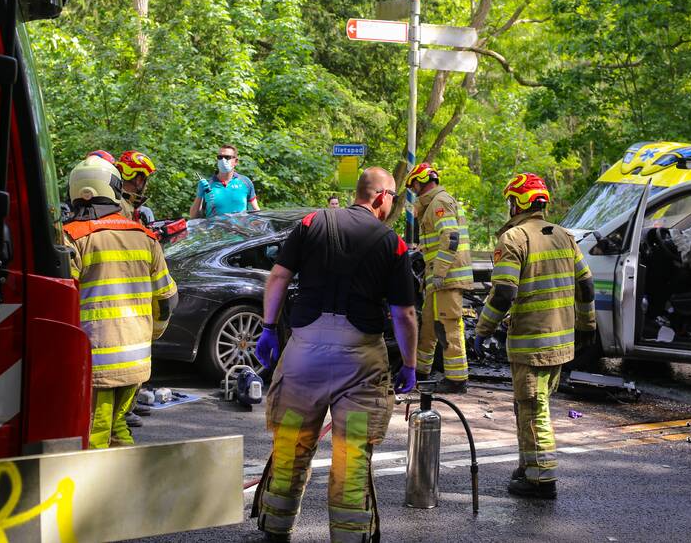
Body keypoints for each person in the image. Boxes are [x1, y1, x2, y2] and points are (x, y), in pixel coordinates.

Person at [251, 167, 418, 543]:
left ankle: (275, 527)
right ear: (381, 197)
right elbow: (403, 313)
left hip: (302, 358)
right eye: (393, 197)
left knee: (291, 443)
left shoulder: (312, 222)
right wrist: (409, 364)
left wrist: (267, 327)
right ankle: (349, 536)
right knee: (351, 454)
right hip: (359, 365)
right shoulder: (393, 243)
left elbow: (277, 277)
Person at [473, 172, 595, 499]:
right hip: (560, 342)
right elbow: (586, 284)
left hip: (531, 344)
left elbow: (503, 294)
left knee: (532, 408)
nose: (510, 207)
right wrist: (587, 325)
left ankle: (541, 479)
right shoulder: (564, 236)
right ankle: (530, 465)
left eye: (511, 200)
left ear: (519, 202)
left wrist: (482, 330)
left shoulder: (513, 239)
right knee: (529, 406)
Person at [63, 155, 178, 450]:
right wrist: (151, 335)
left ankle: (95, 495)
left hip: (96, 360)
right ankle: (130, 490)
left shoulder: (74, 238)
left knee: (95, 434)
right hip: (136, 360)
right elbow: (167, 299)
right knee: (119, 427)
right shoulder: (145, 236)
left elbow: (62, 300)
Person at [405, 162, 473, 394]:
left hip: (447, 279)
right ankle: (421, 372)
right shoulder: (434, 203)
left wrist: (440, 273)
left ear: (422, 180)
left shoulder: (439, 202)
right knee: (430, 328)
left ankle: (456, 380)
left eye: (413, 183)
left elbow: (450, 237)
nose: (413, 189)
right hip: (438, 280)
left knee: (448, 327)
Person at [189, 144, 259, 218]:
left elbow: (255, 212)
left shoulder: (245, 182)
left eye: (227, 157)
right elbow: (194, 217)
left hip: (240, 229)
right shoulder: (207, 185)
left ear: (236, 161)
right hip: (215, 229)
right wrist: (199, 195)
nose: (223, 160)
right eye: (220, 157)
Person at [115, 150, 157, 224]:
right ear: (139, 180)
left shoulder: (118, 201)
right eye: (146, 179)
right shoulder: (123, 208)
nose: (147, 184)